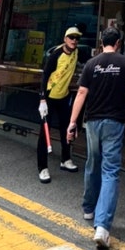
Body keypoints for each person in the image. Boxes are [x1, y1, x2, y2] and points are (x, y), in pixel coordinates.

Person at [66, 26, 125, 250]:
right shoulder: (124, 62)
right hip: (114, 122)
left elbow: (81, 93)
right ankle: (103, 227)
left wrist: (72, 122)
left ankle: (89, 209)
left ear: (101, 42)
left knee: (92, 163)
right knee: (110, 171)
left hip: (92, 121)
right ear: (118, 43)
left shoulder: (91, 63)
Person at [36, 25, 82, 183]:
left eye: (77, 38)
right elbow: (45, 75)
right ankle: (42, 168)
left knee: (67, 128)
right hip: (49, 97)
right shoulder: (56, 54)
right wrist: (42, 99)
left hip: (64, 96)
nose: (74, 40)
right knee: (44, 133)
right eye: (71, 37)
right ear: (65, 39)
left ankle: (66, 159)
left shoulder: (76, 52)